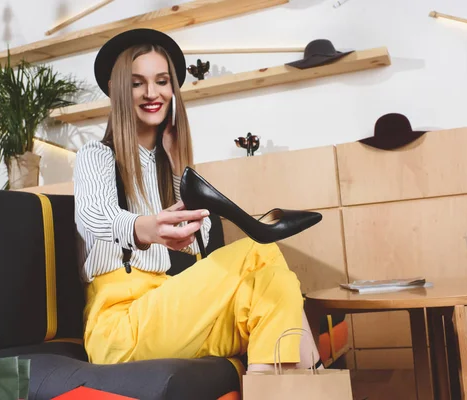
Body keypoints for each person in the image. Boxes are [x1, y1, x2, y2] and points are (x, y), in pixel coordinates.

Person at [73, 28, 323, 373]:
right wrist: (146, 227)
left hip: (172, 314)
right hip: (120, 330)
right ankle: (318, 372)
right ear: (120, 90)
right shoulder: (98, 155)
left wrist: (178, 167)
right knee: (258, 248)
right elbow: (90, 216)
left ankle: (277, 387)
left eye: (162, 81)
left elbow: (199, 246)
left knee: (275, 285)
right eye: (137, 83)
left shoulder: (169, 166)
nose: (152, 93)